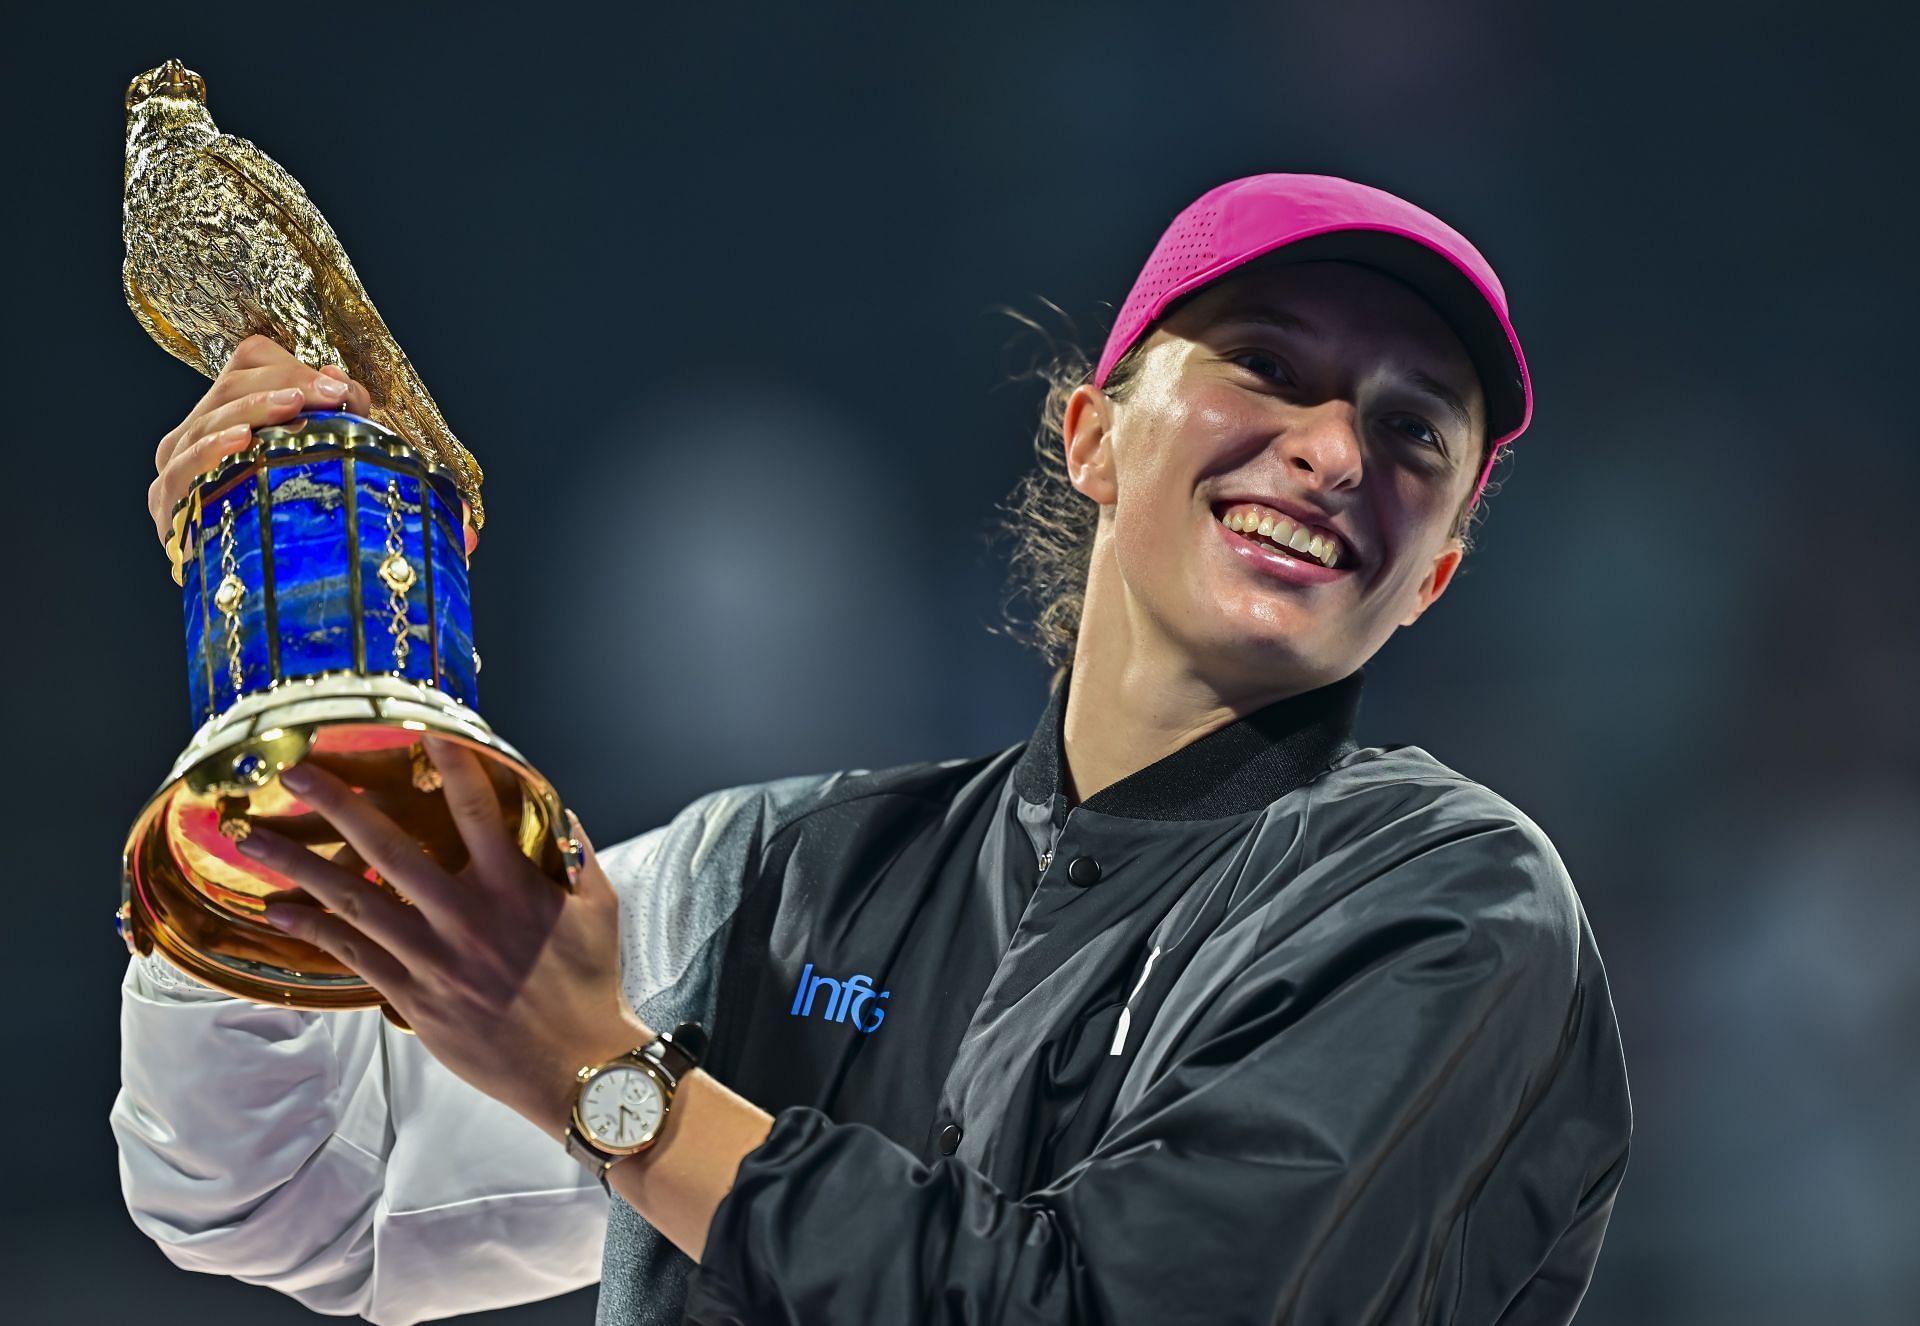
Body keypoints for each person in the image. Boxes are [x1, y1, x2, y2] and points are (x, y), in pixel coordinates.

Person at [115, 173, 1632, 1326]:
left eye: (1413, 433)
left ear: (1434, 567)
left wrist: (609, 1083)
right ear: (1092, 433)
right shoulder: (784, 874)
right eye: (1268, 367)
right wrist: (301, 696)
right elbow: (300, 1189)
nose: (1334, 449)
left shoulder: (1451, 905)